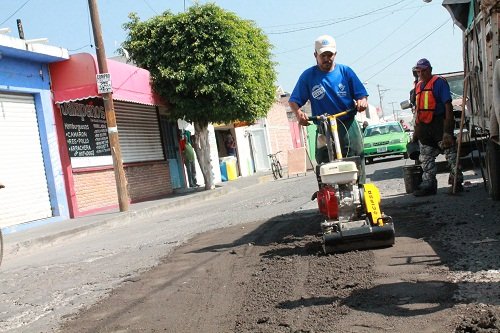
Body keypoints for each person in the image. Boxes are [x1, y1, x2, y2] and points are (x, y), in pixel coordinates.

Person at [288, 34, 369, 183]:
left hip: (348, 124)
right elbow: (294, 101)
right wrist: (299, 114)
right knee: (324, 162)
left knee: (356, 159)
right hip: (324, 128)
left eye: (330, 55)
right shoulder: (308, 76)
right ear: (315, 55)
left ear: (335, 54)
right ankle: (329, 195)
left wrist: (362, 102)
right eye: (323, 55)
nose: (327, 58)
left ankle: (360, 191)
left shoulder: (346, 72)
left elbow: (362, 95)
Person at [412, 58, 463, 196]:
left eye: (423, 70)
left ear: (430, 70)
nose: (421, 73)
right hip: (424, 129)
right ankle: (429, 185)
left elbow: (448, 106)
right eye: (418, 71)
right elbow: (417, 111)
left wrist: (447, 131)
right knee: (426, 158)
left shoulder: (439, 83)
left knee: (451, 155)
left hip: (439, 126)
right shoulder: (418, 87)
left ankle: (456, 181)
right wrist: (415, 135)